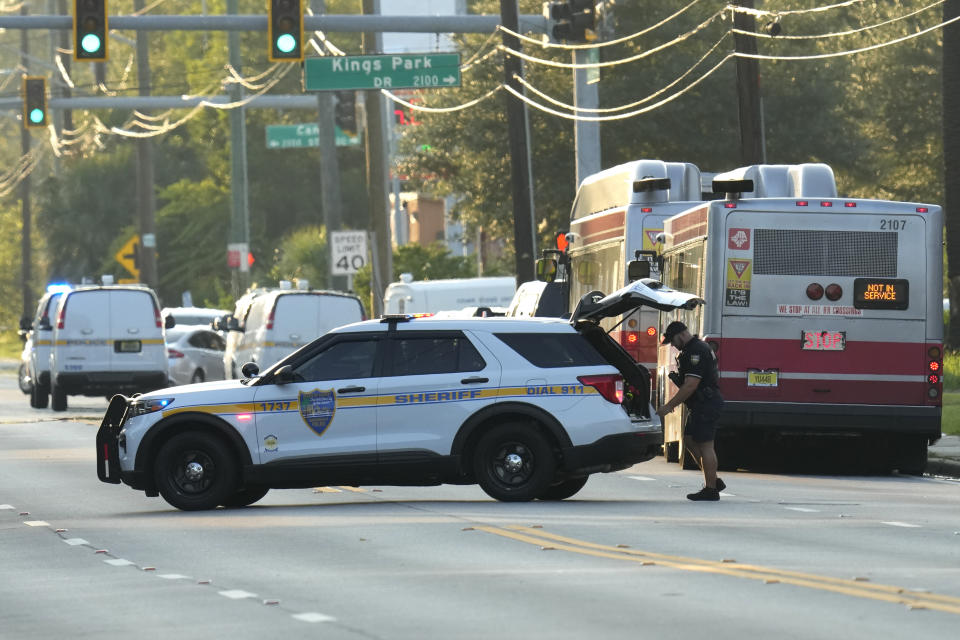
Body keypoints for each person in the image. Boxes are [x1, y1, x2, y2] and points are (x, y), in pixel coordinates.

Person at [656, 321, 726, 501]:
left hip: (706, 404)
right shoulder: (692, 350)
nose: (672, 345)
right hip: (700, 404)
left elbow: (690, 386)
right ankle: (714, 479)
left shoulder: (696, 351)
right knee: (689, 439)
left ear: (680, 335)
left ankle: (711, 489)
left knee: (705, 445)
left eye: (672, 341)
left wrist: (668, 406)